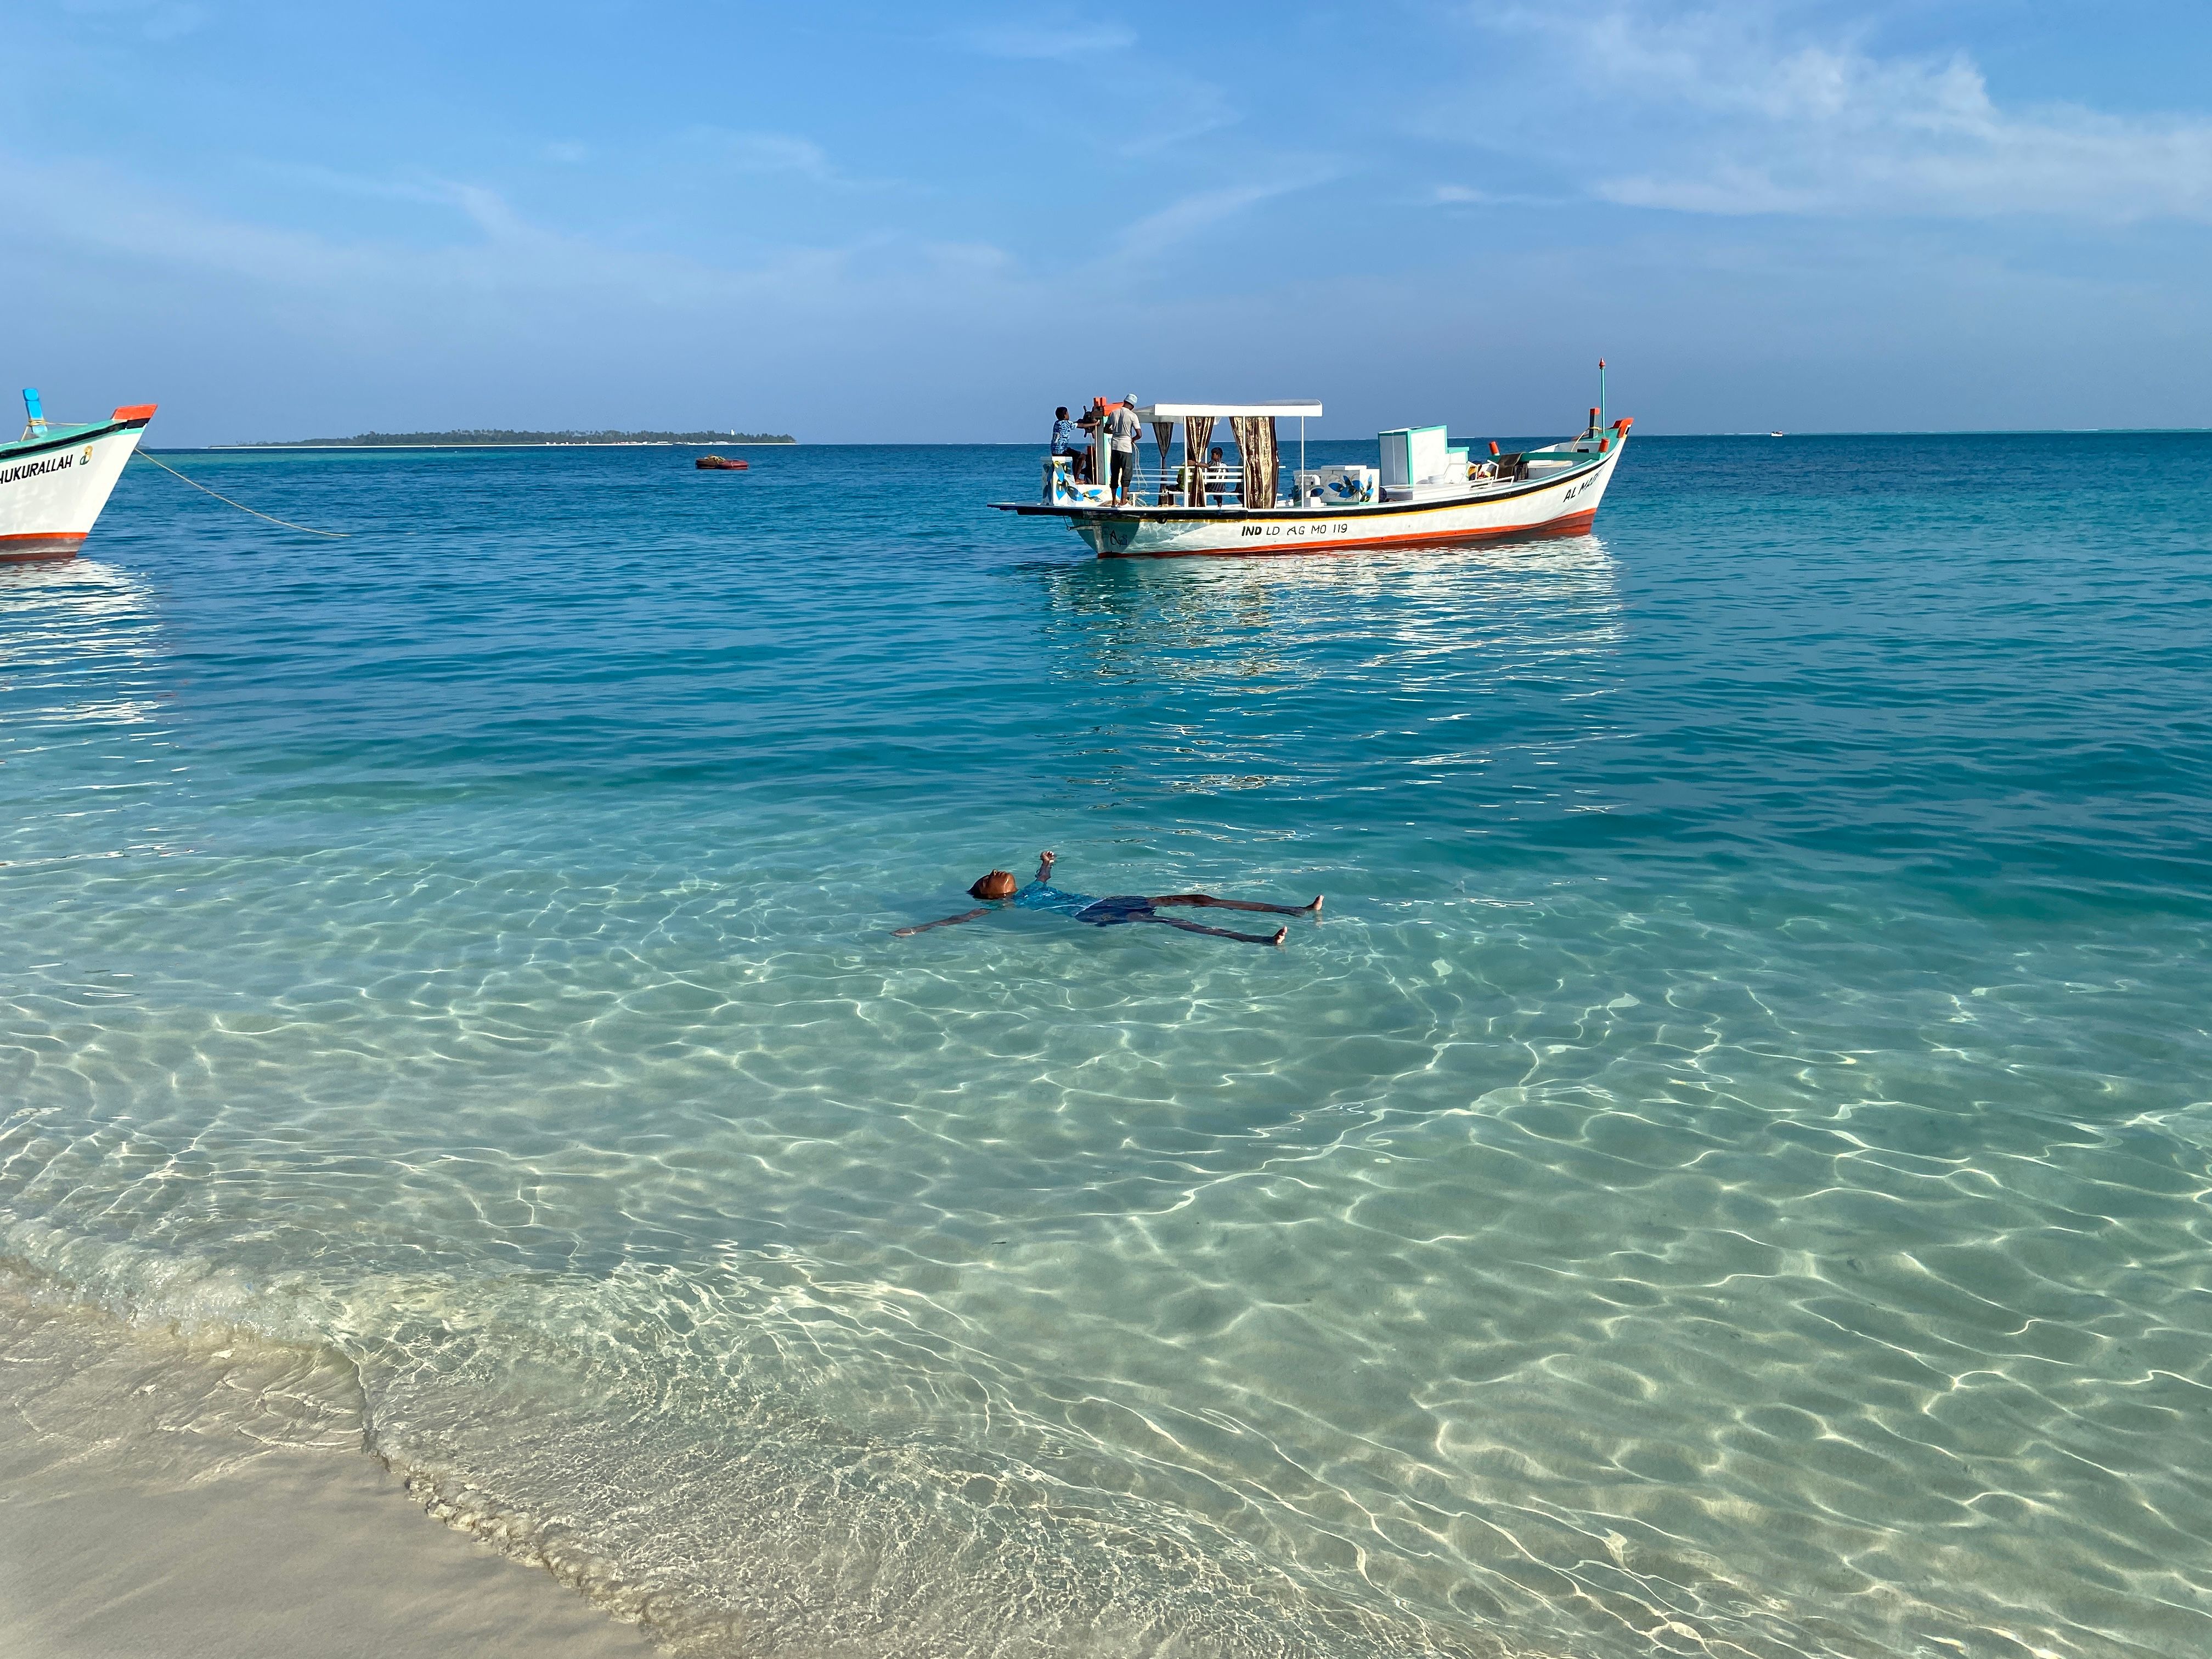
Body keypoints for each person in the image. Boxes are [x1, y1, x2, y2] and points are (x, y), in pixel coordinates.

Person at [893, 851, 1320, 947]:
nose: (996, 872)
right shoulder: (1007, 904)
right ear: (989, 895)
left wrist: (1046, 863)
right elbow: (959, 919)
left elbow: (1043, 876)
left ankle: (1295, 910)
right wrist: (919, 928)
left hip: (1106, 899)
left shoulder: (1029, 890)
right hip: (1092, 915)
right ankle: (1257, 940)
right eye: (989, 878)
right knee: (1171, 921)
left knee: (1196, 897)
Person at [1106, 395, 1142, 504]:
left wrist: (1116, 433)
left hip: (1115, 446)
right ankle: (1123, 500)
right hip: (1126, 446)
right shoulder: (1132, 416)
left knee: (1115, 472)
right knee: (1127, 473)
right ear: (1132, 405)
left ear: (1124, 402)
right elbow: (1139, 434)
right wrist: (1133, 439)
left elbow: (1106, 429)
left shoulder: (1113, 413)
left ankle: (1113, 501)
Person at [1049, 405, 1091, 484]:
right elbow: (1082, 426)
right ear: (1065, 415)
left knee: (1074, 454)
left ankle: (1075, 475)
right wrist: (1095, 424)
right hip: (1061, 451)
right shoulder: (1068, 424)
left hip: (1055, 450)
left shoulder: (1057, 423)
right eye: (1068, 413)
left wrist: (1076, 422)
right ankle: (1076, 479)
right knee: (1082, 456)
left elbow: (1069, 425)